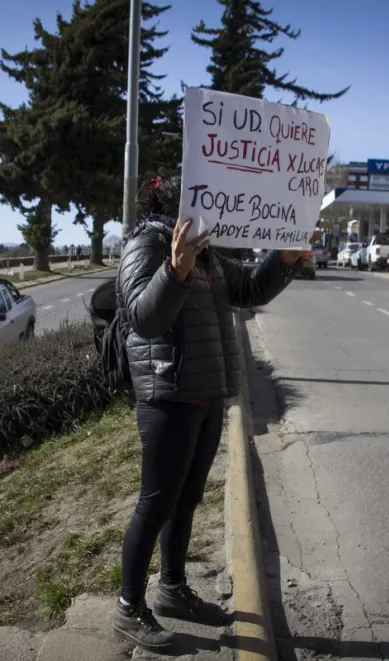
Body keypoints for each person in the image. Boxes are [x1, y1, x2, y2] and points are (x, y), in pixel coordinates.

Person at [113, 172, 308, 650]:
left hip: (208, 395)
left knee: (186, 501)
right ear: (174, 201)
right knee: (155, 503)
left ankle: (172, 590)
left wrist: (282, 261)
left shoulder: (210, 252)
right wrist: (175, 270)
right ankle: (127, 609)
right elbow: (143, 317)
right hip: (167, 395)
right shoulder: (147, 245)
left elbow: (250, 290)